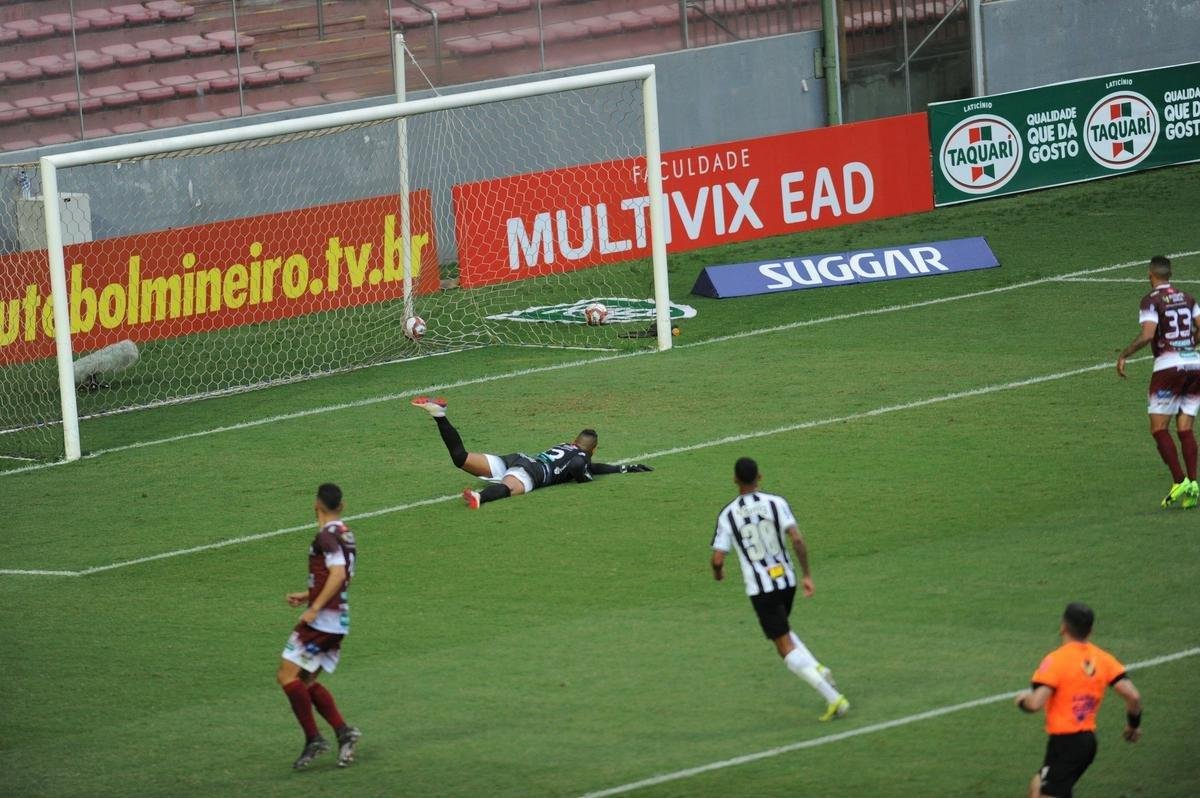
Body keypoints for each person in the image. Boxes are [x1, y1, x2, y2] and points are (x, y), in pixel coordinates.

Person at [710, 457, 848, 721]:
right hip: (787, 581)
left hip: (761, 590)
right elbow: (797, 538)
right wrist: (807, 574)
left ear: (735, 480)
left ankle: (834, 699)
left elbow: (717, 559)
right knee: (783, 629)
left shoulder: (728, 514)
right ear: (759, 477)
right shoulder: (777, 503)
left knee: (783, 646)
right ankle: (818, 667)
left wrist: (719, 573)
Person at [410, 396, 653, 508]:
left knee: (461, 458)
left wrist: (622, 468)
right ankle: (480, 497)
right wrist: (586, 479)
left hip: (519, 459)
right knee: (509, 489)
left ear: (573, 440)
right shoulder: (580, 459)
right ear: (594, 449)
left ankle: (439, 415)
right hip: (531, 471)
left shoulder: (568, 447)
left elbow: (591, 465)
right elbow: (583, 468)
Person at [1015, 602, 1142, 798]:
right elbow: (1133, 696)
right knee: (1037, 787)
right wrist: (1133, 726)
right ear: (1090, 630)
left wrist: (1023, 701)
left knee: (1047, 793)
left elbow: (1035, 704)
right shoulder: (1104, 659)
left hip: (1067, 743)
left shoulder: (1056, 660)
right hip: (1085, 742)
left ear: (1063, 627)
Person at [276, 483, 362, 769]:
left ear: (316, 504)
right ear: (342, 505)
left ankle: (314, 738)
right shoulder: (346, 533)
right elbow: (340, 576)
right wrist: (307, 595)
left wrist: (313, 608)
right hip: (337, 618)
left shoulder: (326, 535)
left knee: (287, 676)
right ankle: (344, 732)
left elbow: (337, 574)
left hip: (324, 620)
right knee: (306, 682)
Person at [1117, 255, 1200, 508]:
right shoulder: (1187, 298)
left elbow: (1147, 335)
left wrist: (1124, 355)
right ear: (1170, 274)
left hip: (1168, 367)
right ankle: (1193, 485)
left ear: (1150, 275)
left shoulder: (1151, 300)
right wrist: (1188, 346)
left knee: (1159, 428)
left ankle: (1178, 481)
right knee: (1185, 427)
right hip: (1194, 364)